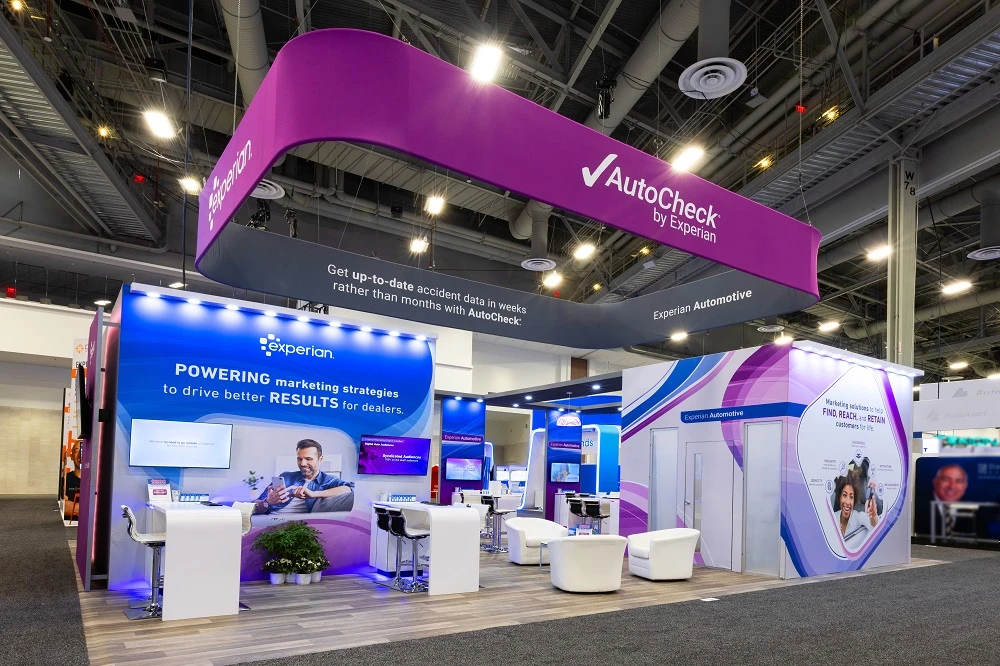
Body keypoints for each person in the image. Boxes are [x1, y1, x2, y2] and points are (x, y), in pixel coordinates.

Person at [253, 439, 355, 514]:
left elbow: (350, 488)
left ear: (320, 459)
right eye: (299, 459)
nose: (303, 463)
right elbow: (254, 505)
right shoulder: (286, 476)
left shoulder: (328, 480)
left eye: (308, 459)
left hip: (295, 527)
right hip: (267, 520)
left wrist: (313, 494)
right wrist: (267, 502)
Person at [832, 475, 878, 549]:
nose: (848, 502)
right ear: (840, 497)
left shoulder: (857, 517)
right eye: (844, 495)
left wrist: (872, 515)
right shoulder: (832, 517)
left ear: (854, 501)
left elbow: (874, 525)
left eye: (851, 497)